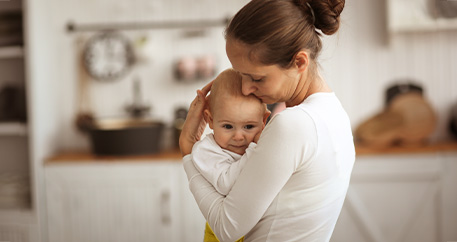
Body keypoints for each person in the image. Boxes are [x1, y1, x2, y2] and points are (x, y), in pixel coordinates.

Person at [180, 0, 355, 241]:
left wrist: (189, 152)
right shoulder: (335, 113)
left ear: (300, 62)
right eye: (240, 74)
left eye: (257, 78)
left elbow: (226, 228)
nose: (245, 88)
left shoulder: (293, 125)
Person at [191, 68, 270, 242]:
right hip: (220, 234)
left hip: (255, 229)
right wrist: (254, 149)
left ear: (263, 121)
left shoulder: (267, 144)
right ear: (210, 120)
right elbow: (226, 184)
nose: (239, 136)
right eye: (227, 126)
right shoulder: (205, 150)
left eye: (249, 127)